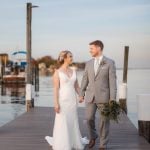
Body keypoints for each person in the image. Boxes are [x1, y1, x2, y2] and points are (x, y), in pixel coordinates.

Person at [45, 50, 89, 150]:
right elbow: (56, 89)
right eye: (70, 57)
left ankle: (73, 141)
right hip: (62, 101)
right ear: (64, 58)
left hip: (72, 101)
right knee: (62, 121)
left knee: (72, 120)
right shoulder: (57, 73)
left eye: (72, 56)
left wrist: (81, 95)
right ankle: (63, 144)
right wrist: (56, 103)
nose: (72, 58)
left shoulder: (73, 71)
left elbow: (77, 86)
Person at [79, 40, 117, 150]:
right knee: (89, 118)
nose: (89, 50)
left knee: (104, 121)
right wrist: (81, 94)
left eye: (91, 48)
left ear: (98, 48)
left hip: (104, 97)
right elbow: (85, 79)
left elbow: (112, 82)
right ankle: (93, 136)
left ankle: (102, 144)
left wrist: (112, 98)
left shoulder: (109, 62)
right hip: (90, 96)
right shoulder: (88, 63)